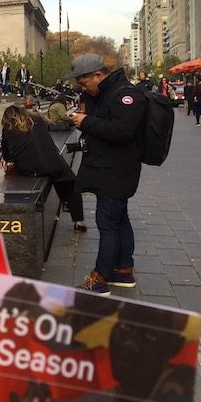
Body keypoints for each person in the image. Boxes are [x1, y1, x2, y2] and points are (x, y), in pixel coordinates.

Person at [70, 53, 146, 295]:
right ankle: (123, 271)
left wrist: (85, 122)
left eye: (85, 83)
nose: (83, 88)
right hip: (109, 169)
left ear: (98, 75)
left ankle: (100, 279)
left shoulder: (125, 94)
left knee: (107, 223)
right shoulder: (104, 93)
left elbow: (122, 130)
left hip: (117, 171)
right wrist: (87, 106)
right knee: (119, 219)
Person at [0, 105, 86, 232]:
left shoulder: (8, 129)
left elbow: (8, 156)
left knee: (51, 172)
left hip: (31, 170)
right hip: (53, 165)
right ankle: (79, 221)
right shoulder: (37, 121)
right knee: (69, 181)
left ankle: (63, 204)